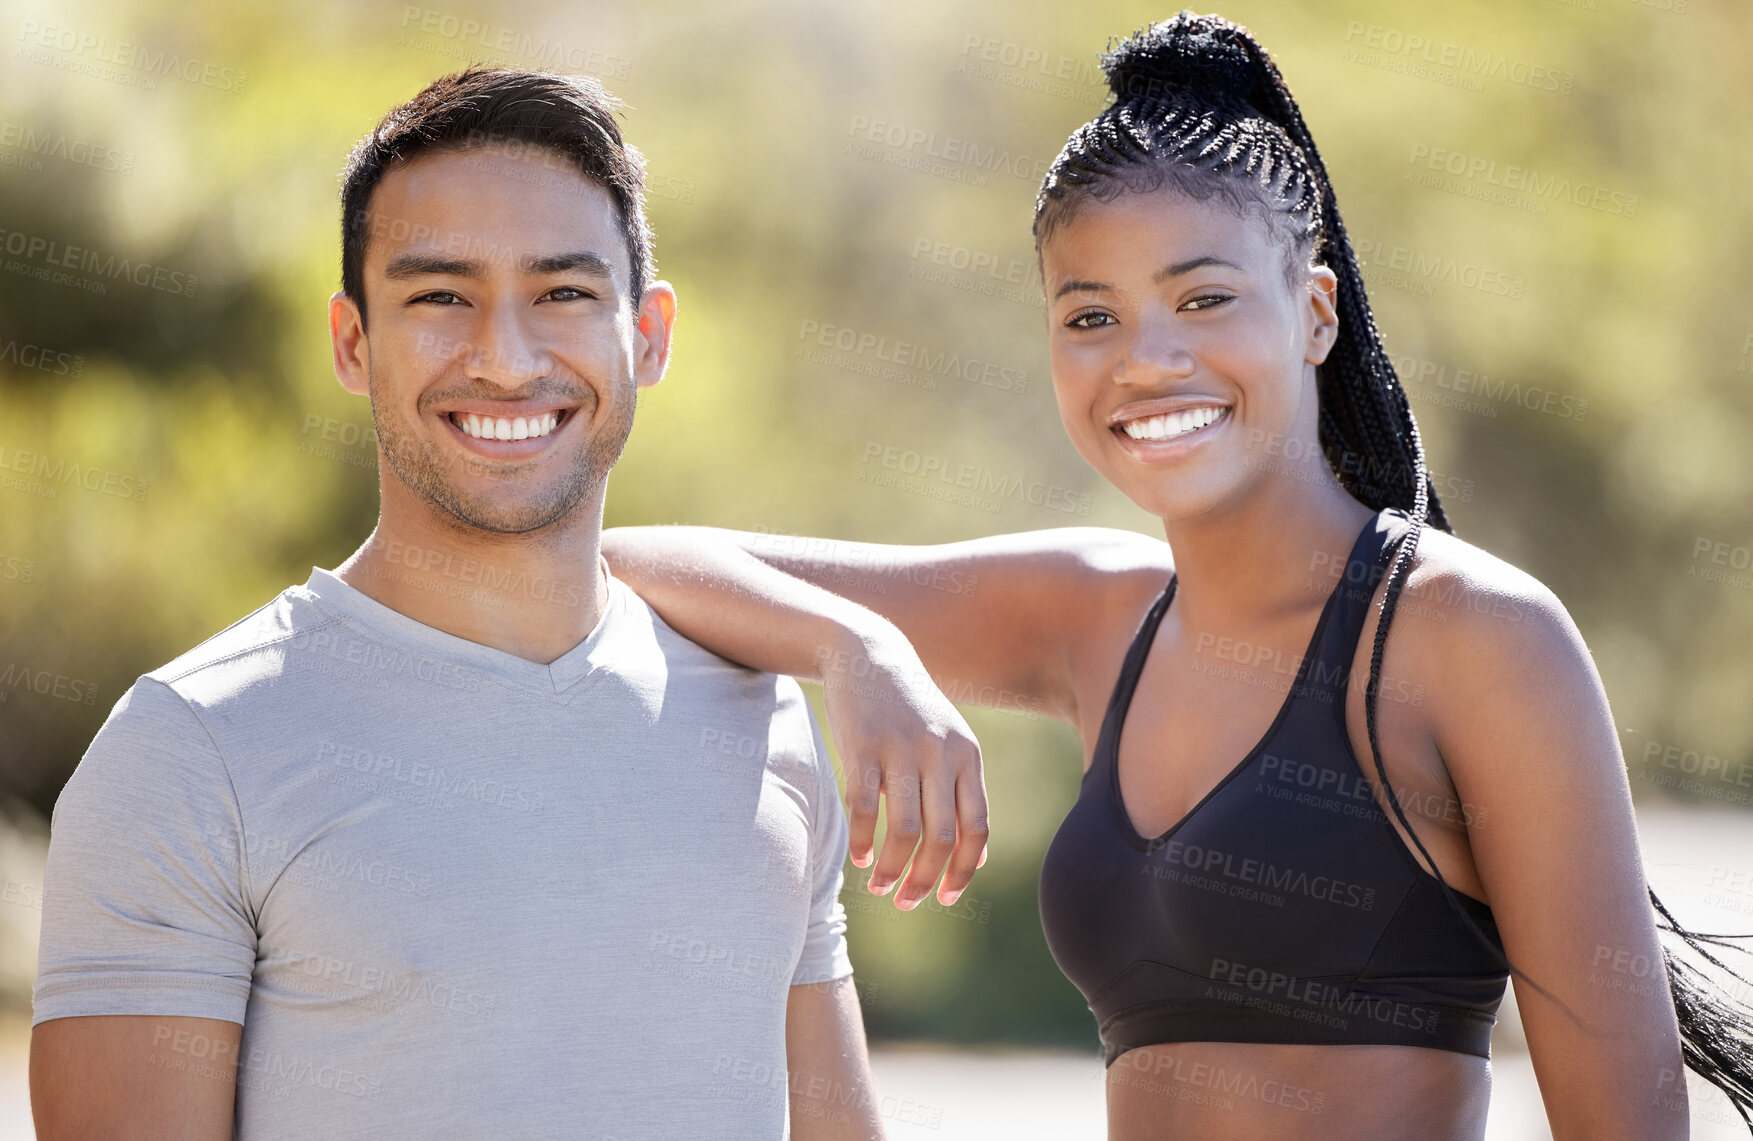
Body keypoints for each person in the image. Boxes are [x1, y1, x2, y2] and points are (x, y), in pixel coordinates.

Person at [600, 12, 1753, 1139]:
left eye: (1203, 298)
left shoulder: (1470, 636)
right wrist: (854, 651)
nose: (1145, 360)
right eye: (1089, 315)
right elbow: (635, 565)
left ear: (1313, 314)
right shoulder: (1091, 616)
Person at [26, 65, 979, 1140]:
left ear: (649, 334)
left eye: (564, 293)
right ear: (352, 341)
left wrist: (858, 644)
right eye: (440, 297)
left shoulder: (763, 724)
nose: (506, 358)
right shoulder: (188, 749)